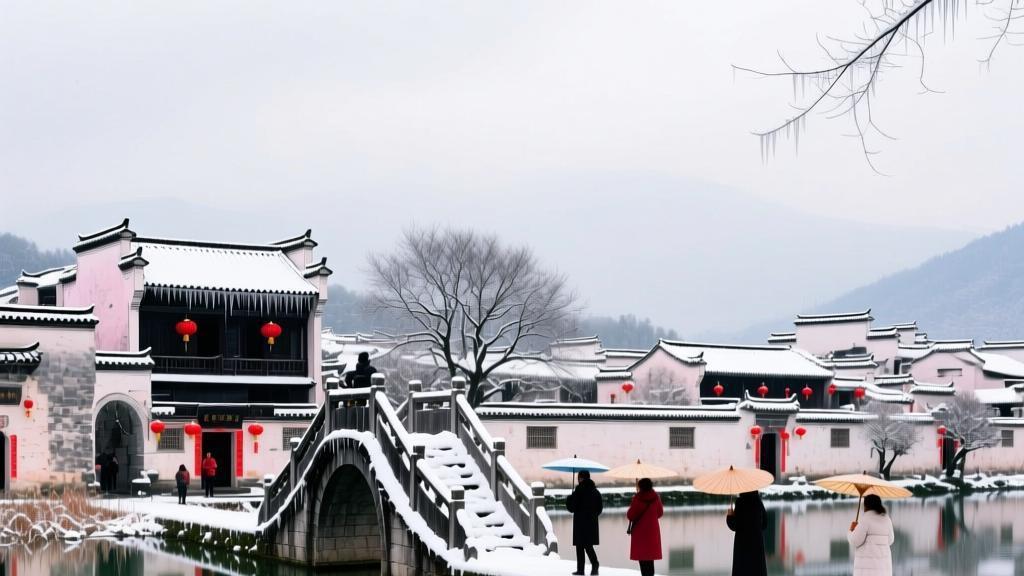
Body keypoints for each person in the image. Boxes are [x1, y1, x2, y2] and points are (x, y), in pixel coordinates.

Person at [566, 470, 603, 575]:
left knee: (580, 546)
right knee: (588, 546)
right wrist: (592, 516)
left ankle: (581, 570)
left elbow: (572, 508)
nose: (578, 479)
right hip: (591, 524)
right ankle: (594, 565)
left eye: (579, 477)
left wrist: (569, 499)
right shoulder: (595, 492)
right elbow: (599, 509)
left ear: (581, 478)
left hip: (580, 523)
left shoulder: (578, 491)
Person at [847, 495, 895, 576]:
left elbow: (855, 541)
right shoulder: (887, 519)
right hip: (883, 567)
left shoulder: (865, 519)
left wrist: (851, 530)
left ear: (866, 505)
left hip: (867, 568)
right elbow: (890, 540)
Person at [626, 478, 663, 576]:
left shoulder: (637, 498)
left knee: (642, 559)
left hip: (640, 532)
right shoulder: (656, 497)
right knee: (650, 559)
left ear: (640, 487)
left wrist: (632, 504)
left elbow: (630, 515)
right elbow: (660, 513)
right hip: (652, 531)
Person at [726, 491, 768, 576]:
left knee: (743, 569)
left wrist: (729, 516)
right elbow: (765, 524)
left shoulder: (740, 502)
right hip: (757, 545)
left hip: (743, 545)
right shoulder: (758, 501)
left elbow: (734, 525)